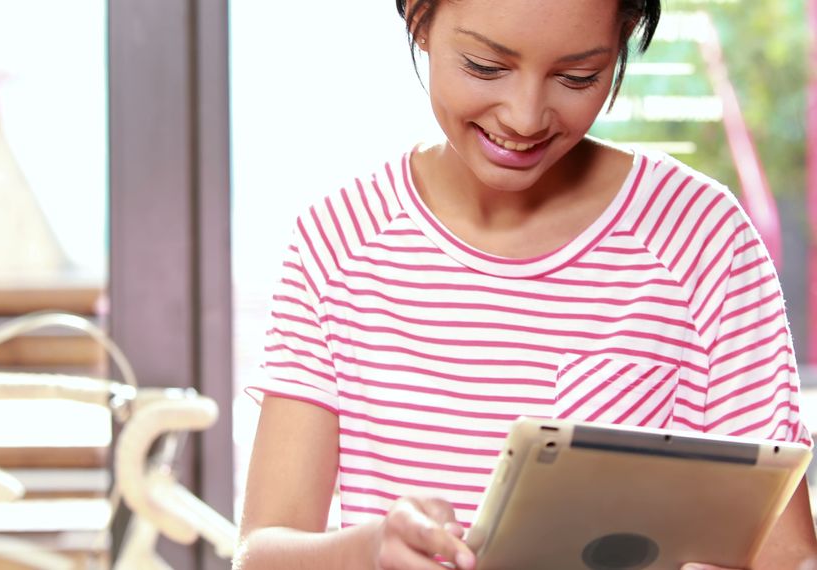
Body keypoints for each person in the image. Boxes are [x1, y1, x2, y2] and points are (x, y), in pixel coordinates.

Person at [233, 0, 817, 569]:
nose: (525, 116)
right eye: (485, 67)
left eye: (578, 76)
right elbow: (261, 554)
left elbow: (786, 558)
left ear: (626, 35)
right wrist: (369, 552)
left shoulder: (701, 238)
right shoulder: (338, 239)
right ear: (418, 17)